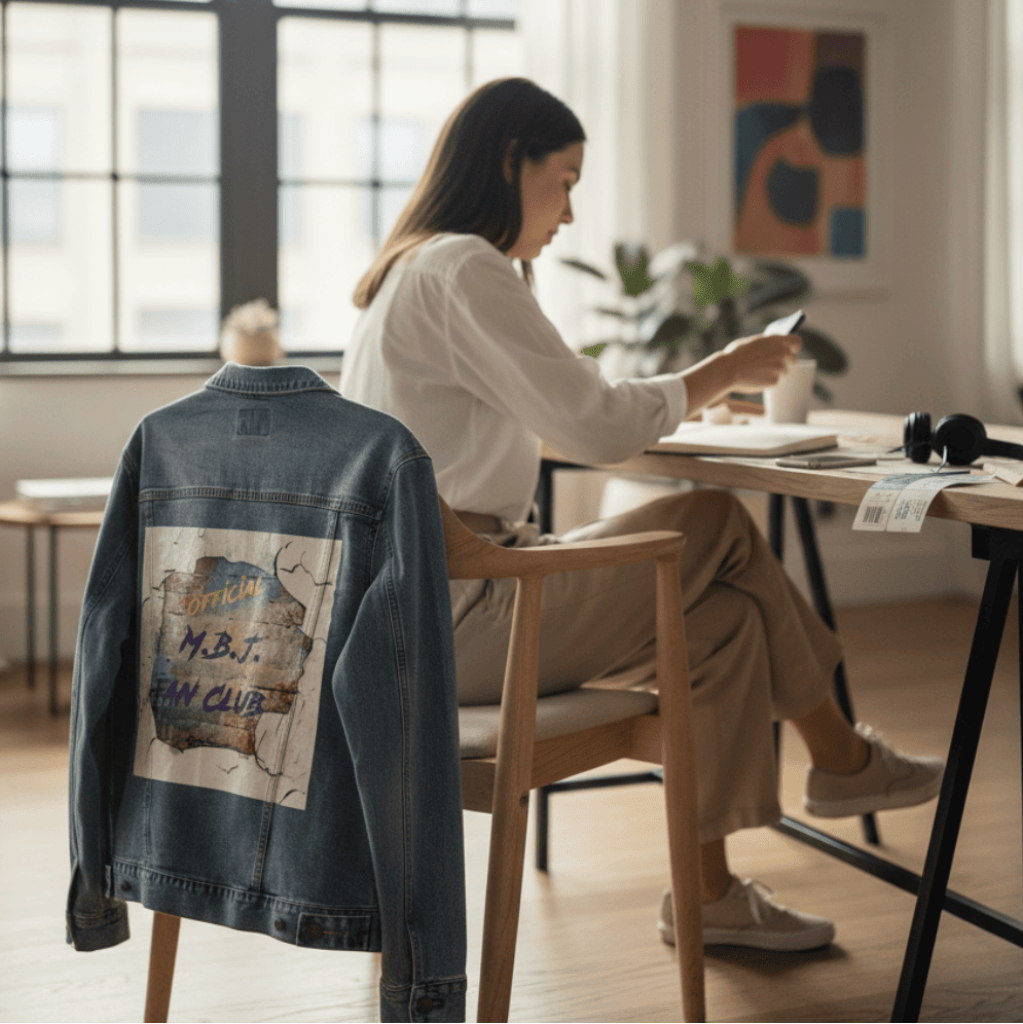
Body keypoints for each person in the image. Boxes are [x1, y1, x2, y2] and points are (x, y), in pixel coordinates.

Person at [339, 77, 942, 952]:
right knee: (713, 523)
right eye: (567, 179)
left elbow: (560, 413)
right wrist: (721, 371)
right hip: (459, 613)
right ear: (512, 162)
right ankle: (841, 756)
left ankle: (710, 897)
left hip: (425, 604)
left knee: (723, 621)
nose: (570, 212)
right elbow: (594, 423)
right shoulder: (462, 265)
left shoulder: (412, 270)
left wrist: (679, 396)